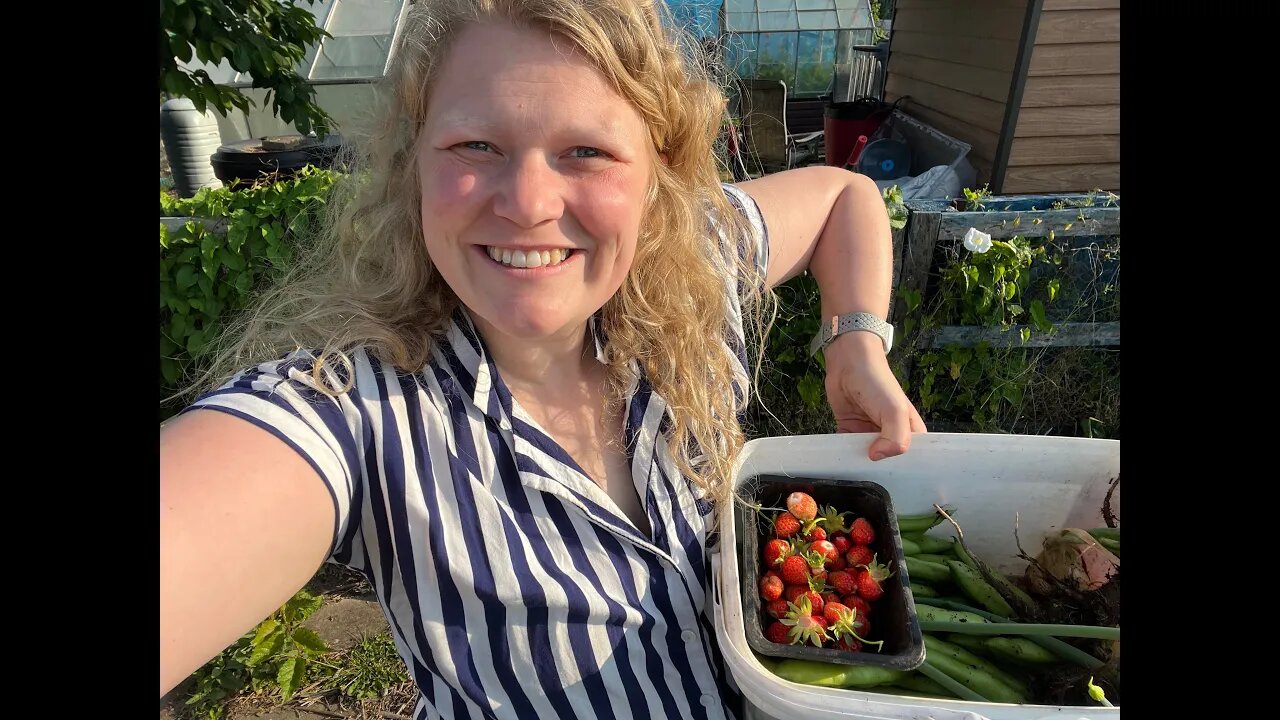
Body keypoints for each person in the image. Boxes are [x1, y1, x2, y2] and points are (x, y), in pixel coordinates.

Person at [160, 1, 927, 718]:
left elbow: (841, 198)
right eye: (475, 145)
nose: (527, 202)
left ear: (656, 178)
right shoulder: (354, 414)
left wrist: (855, 342)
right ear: (414, 163)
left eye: (586, 151)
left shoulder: (697, 262)